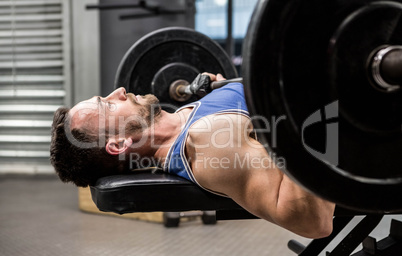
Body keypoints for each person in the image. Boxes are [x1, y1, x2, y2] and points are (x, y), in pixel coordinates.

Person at [50, 73, 335, 239]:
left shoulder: (189, 119)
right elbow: (311, 220)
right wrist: (311, 104)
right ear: (119, 144)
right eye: (107, 105)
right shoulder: (207, 144)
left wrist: (221, 84)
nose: (119, 91)